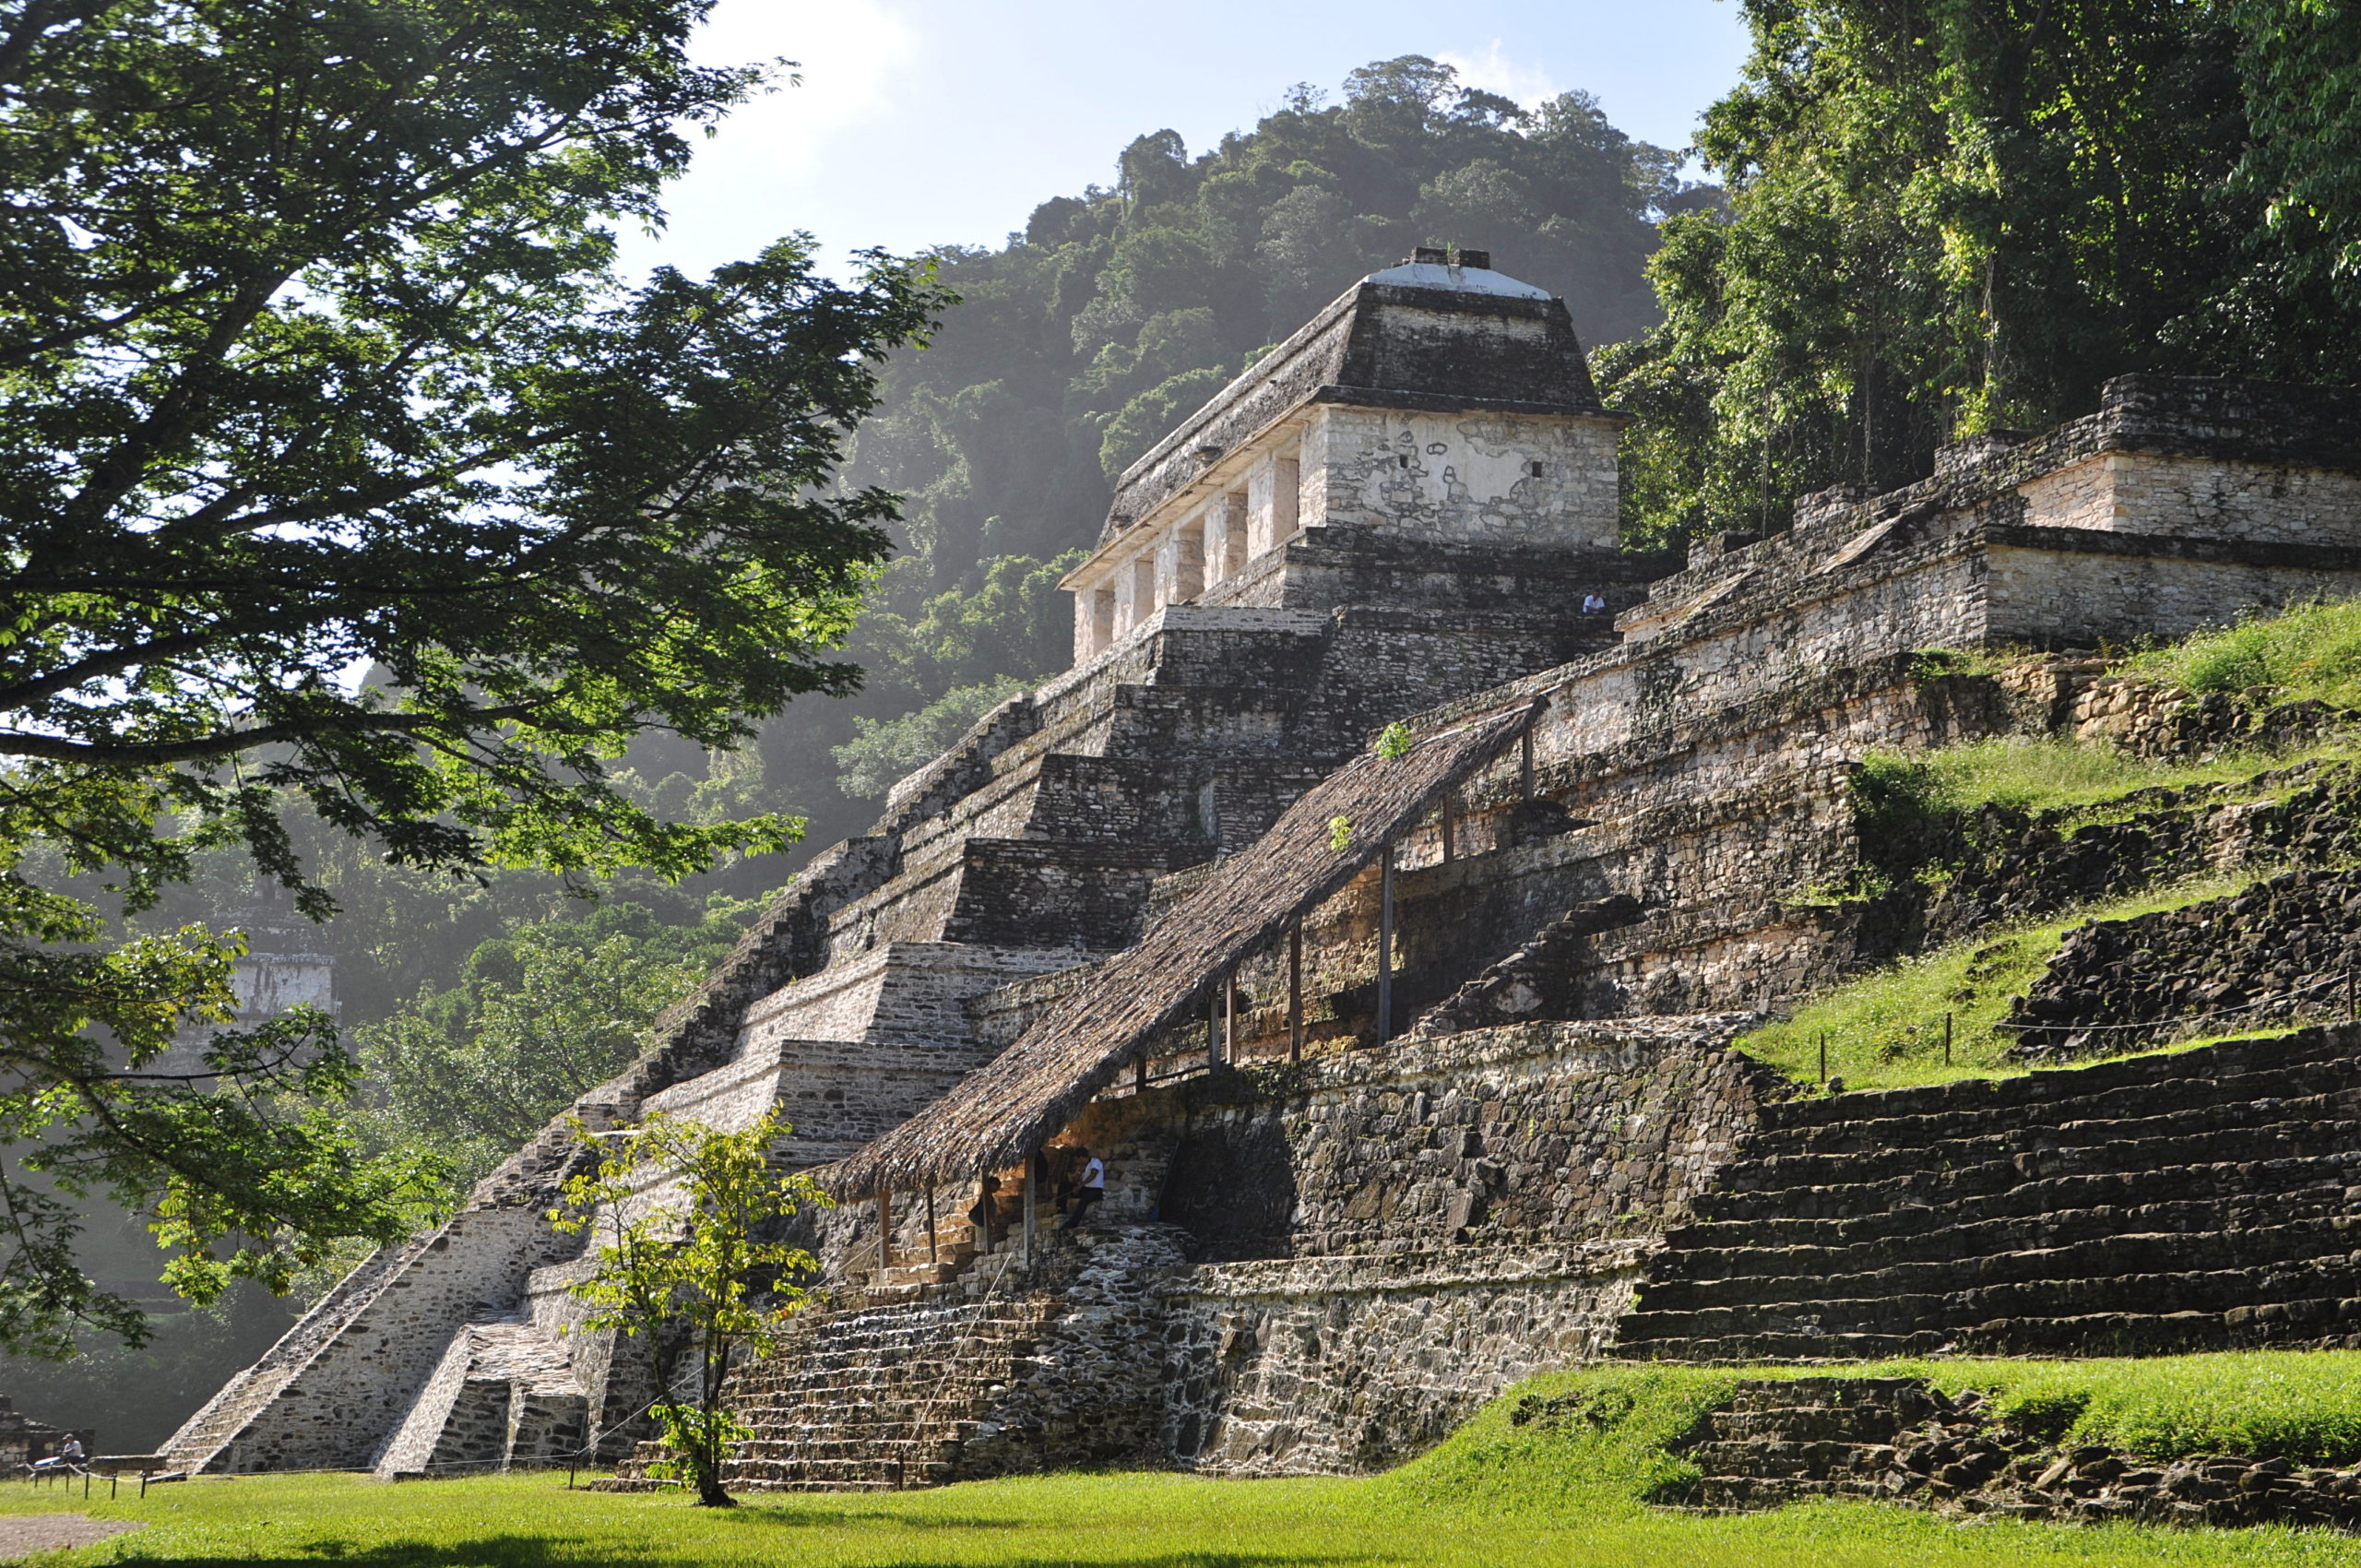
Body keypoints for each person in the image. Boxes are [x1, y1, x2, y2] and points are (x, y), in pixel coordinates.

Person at [1062, 1149, 1106, 1229]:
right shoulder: (1082, 1166)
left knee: (1084, 1201)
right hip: (1085, 1189)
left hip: (1095, 1190)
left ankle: (1073, 1223)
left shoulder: (1095, 1162)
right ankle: (1062, 1209)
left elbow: (1093, 1174)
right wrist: (1079, 1172)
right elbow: (1075, 1180)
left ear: (1081, 1157)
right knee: (1064, 1185)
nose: (1077, 1161)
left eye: (1077, 1159)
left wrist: (1080, 1186)